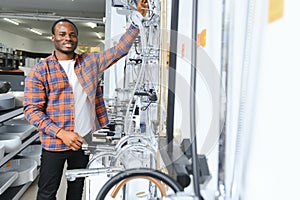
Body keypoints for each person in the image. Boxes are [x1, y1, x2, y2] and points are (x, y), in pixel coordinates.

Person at [23, 1, 148, 199]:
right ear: (53, 37)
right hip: (54, 143)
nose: (68, 38)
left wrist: (137, 19)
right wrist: (61, 133)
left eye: (72, 34)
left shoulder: (89, 62)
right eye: (62, 34)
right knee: (47, 192)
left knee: (77, 188)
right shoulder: (41, 70)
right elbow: (31, 110)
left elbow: (119, 50)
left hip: (83, 140)